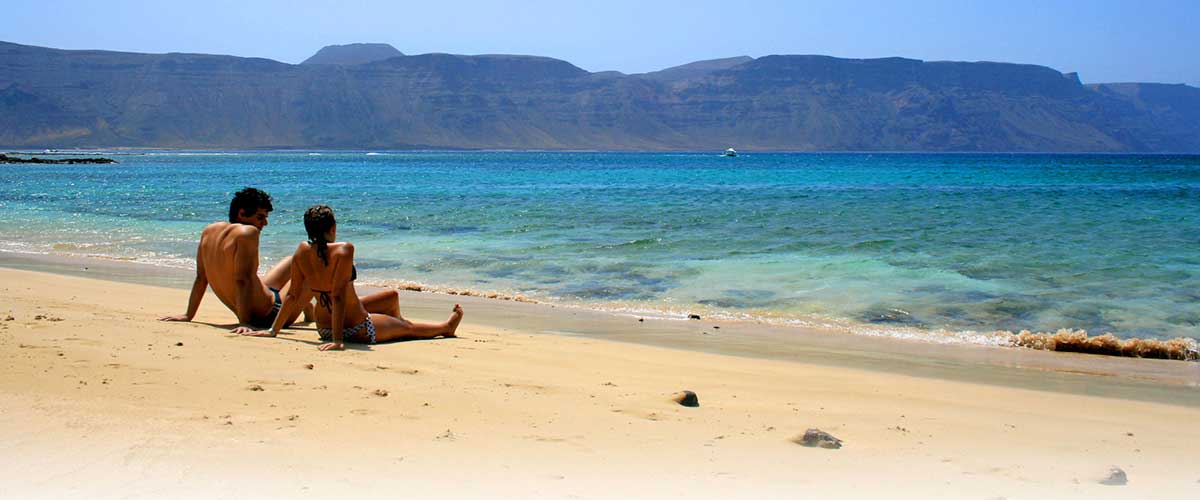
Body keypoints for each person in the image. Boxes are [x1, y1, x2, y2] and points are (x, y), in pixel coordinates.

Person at [236, 205, 462, 351]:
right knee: (409, 327)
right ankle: (444, 328)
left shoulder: (302, 250)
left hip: (323, 328)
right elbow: (337, 296)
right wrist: (337, 340)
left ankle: (392, 324)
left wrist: (274, 330)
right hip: (356, 327)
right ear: (333, 227)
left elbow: (294, 294)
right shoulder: (344, 250)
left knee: (391, 296)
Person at [159, 187, 311, 329]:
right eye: (260, 217)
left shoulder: (209, 231)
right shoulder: (248, 233)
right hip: (270, 315)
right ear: (242, 213)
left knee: (294, 259)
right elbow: (242, 280)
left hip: (264, 296)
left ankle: (308, 309)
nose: (265, 223)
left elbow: (201, 278)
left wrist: (188, 315)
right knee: (314, 269)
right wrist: (244, 323)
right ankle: (313, 310)